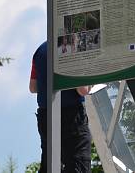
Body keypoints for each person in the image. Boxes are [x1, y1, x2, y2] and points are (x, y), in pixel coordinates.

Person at [29, 41, 92, 172]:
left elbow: (33, 87)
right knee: (78, 165)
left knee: (50, 165)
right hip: (72, 117)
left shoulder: (40, 50)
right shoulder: (75, 47)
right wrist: (91, 83)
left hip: (46, 116)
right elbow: (83, 90)